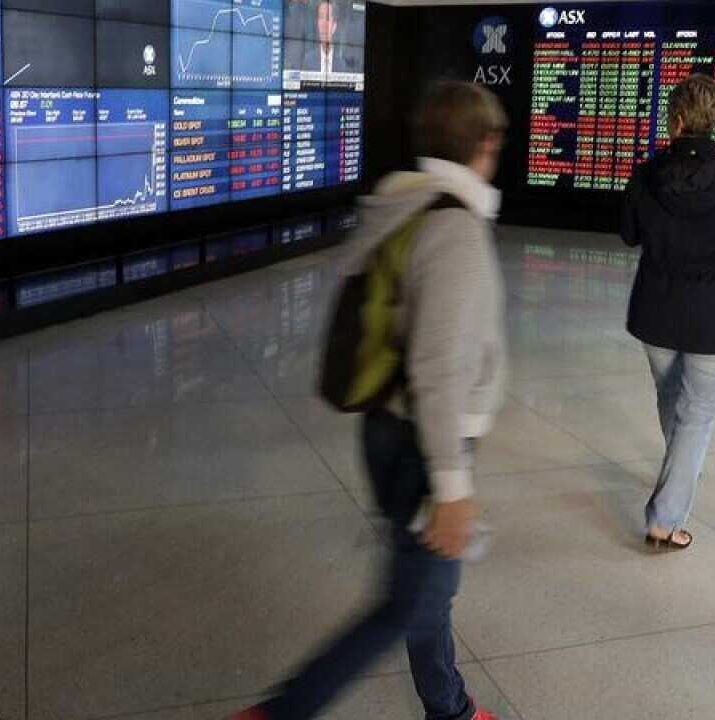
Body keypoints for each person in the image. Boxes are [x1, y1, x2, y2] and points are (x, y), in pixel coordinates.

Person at [232, 81, 507, 720]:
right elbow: (438, 367)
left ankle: (450, 707)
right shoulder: (456, 229)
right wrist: (452, 484)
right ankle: (282, 711)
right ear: (485, 144)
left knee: (426, 591)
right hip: (424, 442)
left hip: (384, 429)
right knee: (408, 602)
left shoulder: (398, 207)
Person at [620, 73, 715, 551]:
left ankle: (679, 474)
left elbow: (629, 234)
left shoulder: (646, 174)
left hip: (657, 311)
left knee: (674, 402)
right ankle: (665, 518)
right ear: (714, 119)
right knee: (696, 415)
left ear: (677, 119)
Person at [302, 0, 363, 75]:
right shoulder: (308, 60)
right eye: (320, 18)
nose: (323, 24)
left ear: (334, 26)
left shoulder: (342, 64)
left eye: (327, 18)